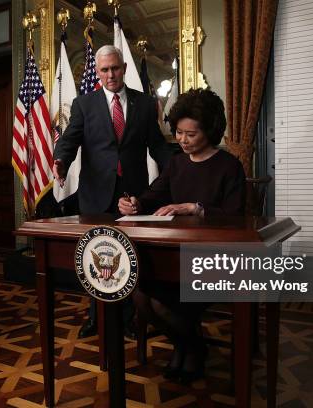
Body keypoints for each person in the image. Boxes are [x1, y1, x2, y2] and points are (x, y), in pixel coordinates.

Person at [118, 88, 246, 383]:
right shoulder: (176, 163)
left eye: (191, 134)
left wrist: (196, 208)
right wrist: (136, 202)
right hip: (172, 258)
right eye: (178, 133)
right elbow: (153, 196)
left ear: (210, 131)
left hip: (213, 260)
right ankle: (187, 345)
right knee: (139, 296)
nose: (183, 141)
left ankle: (192, 349)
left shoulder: (229, 166)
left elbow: (237, 216)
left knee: (162, 303)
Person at [52, 45, 173, 339]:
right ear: (97, 72)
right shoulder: (85, 104)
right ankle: (97, 318)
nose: (110, 75)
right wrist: (61, 161)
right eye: (104, 70)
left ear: (124, 68)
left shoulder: (145, 104)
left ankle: (131, 318)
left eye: (115, 68)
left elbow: (156, 144)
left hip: (134, 193)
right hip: (95, 194)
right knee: (96, 256)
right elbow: (70, 140)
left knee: (130, 256)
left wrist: (176, 170)